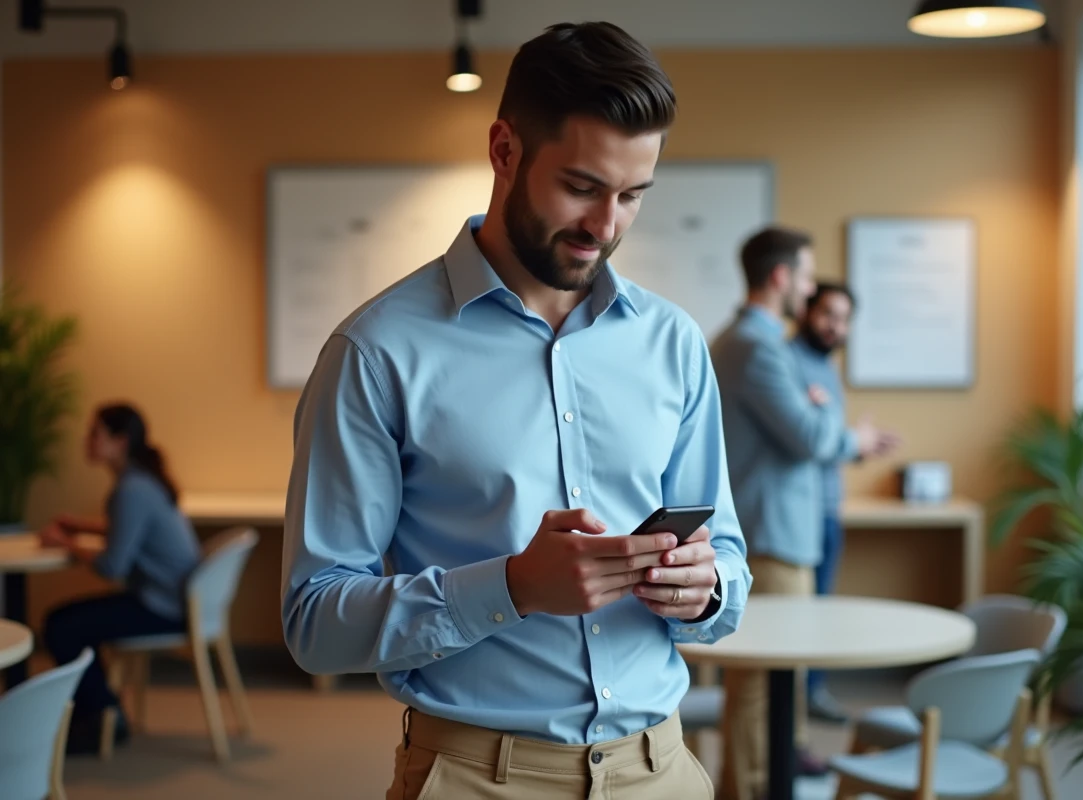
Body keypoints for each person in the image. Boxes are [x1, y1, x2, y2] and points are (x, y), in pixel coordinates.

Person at [281, 21, 750, 800]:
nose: (606, 227)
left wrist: (703, 590)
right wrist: (511, 588)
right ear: (504, 151)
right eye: (582, 187)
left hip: (661, 771)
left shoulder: (673, 342)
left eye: (632, 195)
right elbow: (314, 622)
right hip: (475, 779)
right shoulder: (375, 352)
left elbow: (727, 562)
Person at [710, 228, 886, 800]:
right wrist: (850, 437)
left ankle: (764, 783)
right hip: (771, 535)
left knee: (768, 683)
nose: (810, 290)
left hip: (781, 531)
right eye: (807, 277)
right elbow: (809, 436)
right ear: (781, 278)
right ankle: (752, 790)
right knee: (759, 685)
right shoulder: (758, 347)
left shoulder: (756, 344)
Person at [40, 403, 202, 754]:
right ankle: (98, 713)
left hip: (160, 607)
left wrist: (66, 543)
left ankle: (104, 716)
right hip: (174, 599)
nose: (87, 440)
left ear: (120, 441)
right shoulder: (142, 481)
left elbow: (113, 566)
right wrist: (79, 526)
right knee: (69, 624)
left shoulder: (130, 490)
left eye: (95, 433)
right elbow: (128, 532)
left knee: (61, 626)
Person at [791, 283, 900, 724]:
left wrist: (857, 445)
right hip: (800, 512)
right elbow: (809, 437)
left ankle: (813, 691)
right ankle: (800, 700)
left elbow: (828, 440)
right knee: (805, 612)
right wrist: (851, 440)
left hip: (827, 508)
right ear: (805, 310)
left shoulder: (826, 366)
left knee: (821, 607)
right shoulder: (786, 361)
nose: (835, 326)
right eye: (827, 314)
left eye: (844, 318)